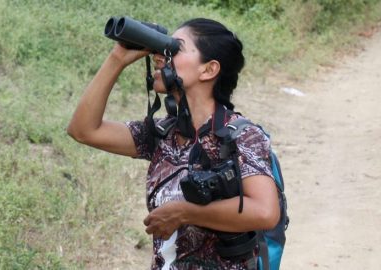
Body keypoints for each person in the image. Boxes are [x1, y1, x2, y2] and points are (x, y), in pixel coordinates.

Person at [67, 18, 280, 270]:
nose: (160, 57)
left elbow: (265, 212)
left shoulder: (240, 136)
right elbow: (83, 130)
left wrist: (185, 212)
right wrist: (117, 58)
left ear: (209, 70)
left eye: (175, 48)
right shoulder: (163, 134)